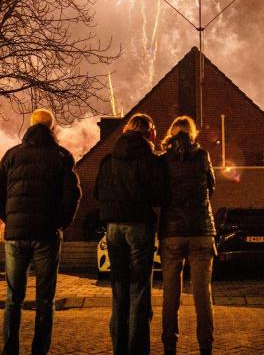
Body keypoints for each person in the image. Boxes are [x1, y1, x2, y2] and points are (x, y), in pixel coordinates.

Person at [0, 108, 82, 355]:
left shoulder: (11, 155)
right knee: (45, 299)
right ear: (52, 128)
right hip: (46, 235)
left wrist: (9, 219)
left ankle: (10, 349)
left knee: (13, 298)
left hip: (16, 235)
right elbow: (72, 194)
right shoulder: (62, 157)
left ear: (30, 126)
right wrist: (60, 223)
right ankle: (39, 350)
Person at [94, 113, 165, 355]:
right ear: (150, 133)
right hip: (140, 226)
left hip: (113, 227)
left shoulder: (108, 160)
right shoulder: (152, 161)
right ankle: (138, 350)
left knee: (119, 288)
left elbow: (97, 192)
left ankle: (119, 349)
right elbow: (159, 196)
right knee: (140, 289)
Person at [158, 115, 216, 355]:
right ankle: (206, 347)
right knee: (203, 293)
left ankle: (169, 346)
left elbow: (159, 194)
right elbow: (211, 187)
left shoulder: (163, 161)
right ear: (192, 134)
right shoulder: (202, 156)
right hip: (201, 230)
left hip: (171, 232)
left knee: (170, 292)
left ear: (172, 133)